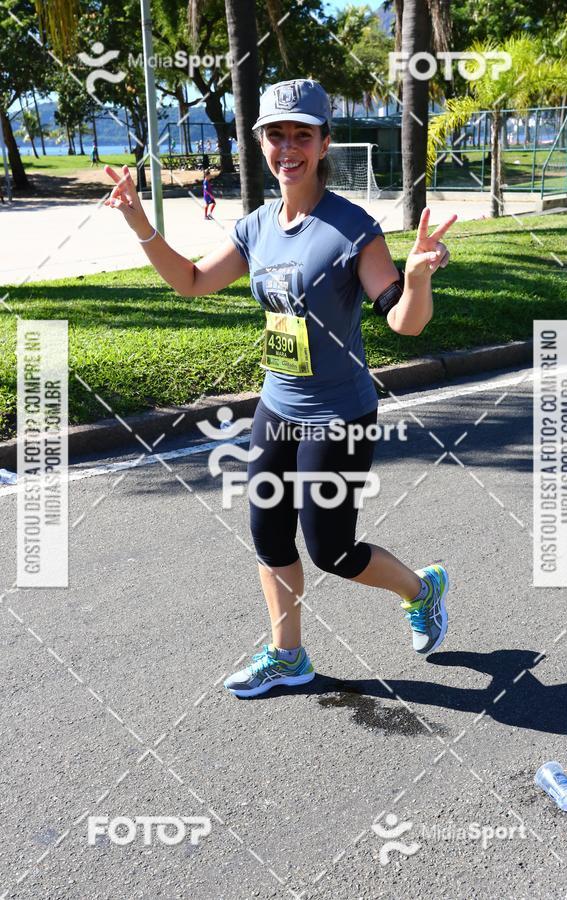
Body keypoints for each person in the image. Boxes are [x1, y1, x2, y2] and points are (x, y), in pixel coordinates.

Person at [103, 78, 457, 700]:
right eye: (275, 134)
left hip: (339, 412)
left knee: (331, 550)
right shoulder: (257, 227)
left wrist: (419, 276)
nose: (287, 146)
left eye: (301, 134)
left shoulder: (353, 229)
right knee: (268, 533)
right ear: (260, 141)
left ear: (324, 143)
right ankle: (287, 655)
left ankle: (420, 589)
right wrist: (138, 220)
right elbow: (189, 280)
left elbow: (403, 319)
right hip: (278, 403)